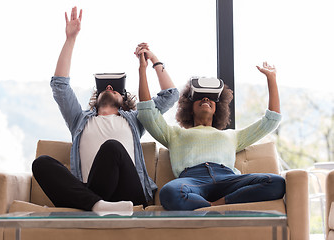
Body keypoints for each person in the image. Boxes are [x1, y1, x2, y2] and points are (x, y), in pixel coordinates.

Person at [32, 7, 179, 212]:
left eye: (117, 89)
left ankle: (92, 205)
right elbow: (60, 86)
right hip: (91, 190)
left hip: (129, 193)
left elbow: (170, 94)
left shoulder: (135, 119)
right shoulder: (79, 119)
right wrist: (70, 39)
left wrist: (152, 59)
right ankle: (96, 205)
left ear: (125, 100)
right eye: (105, 87)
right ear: (97, 96)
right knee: (41, 163)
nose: (110, 88)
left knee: (112, 147)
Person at [136, 48, 285, 210]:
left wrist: (271, 78)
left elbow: (270, 121)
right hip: (192, 181)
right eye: (199, 97)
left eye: (211, 98)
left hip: (228, 178)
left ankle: (214, 206)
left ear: (218, 107)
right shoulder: (174, 134)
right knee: (169, 192)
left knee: (276, 182)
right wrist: (144, 67)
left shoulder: (232, 136)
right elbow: (147, 113)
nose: (205, 98)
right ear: (189, 106)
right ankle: (215, 208)